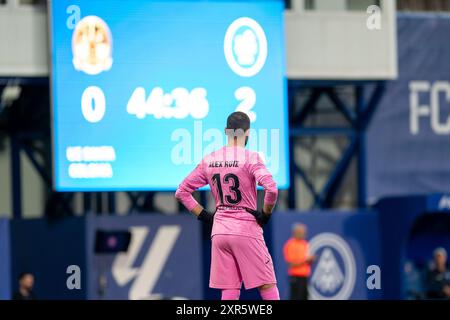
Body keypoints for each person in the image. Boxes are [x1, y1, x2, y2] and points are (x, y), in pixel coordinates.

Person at [175, 111, 279, 300]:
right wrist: (265, 214)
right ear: (247, 133)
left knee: (230, 289)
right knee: (267, 284)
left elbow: (181, 192)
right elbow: (271, 189)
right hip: (246, 228)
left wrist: (206, 216)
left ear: (226, 131)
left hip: (220, 230)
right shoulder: (251, 158)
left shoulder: (210, 159)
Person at [283, 223, 315, 300]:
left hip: (305, 277)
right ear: (295, 232)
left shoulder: (305, 244)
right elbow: (291, 264)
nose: (303, 234)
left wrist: (310, 260)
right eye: (301, 232)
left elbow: (307, 261)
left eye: (304, 232)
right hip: (296, 278)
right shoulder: (290, 245)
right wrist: (305, 261)